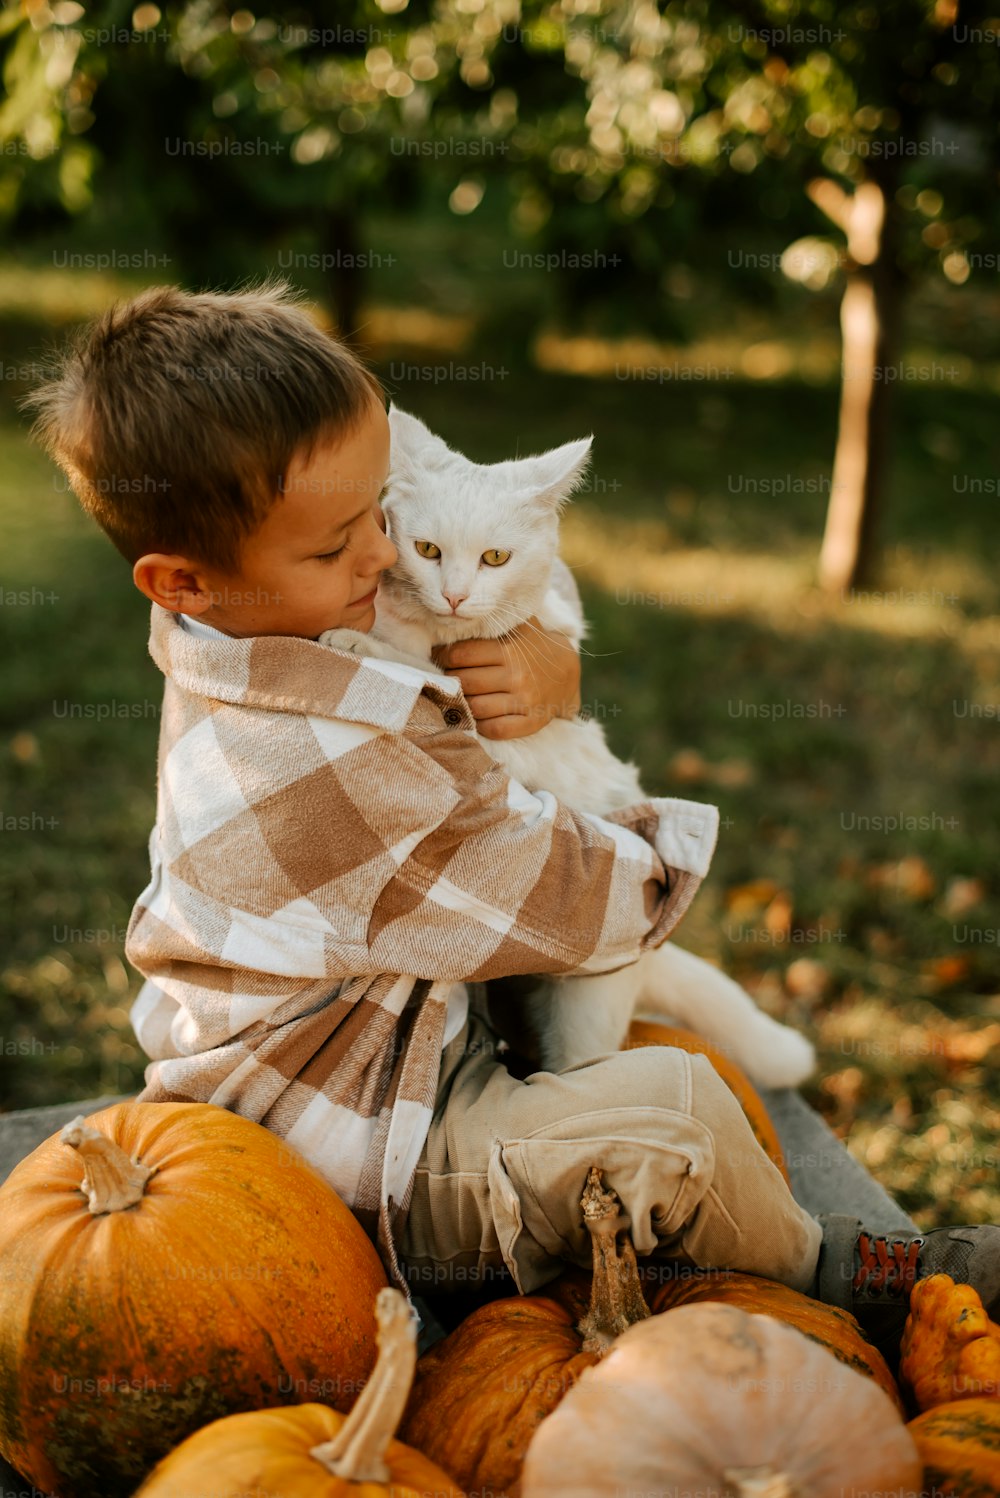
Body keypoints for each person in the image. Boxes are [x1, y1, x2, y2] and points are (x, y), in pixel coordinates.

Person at [26, 281, 1000, 1369]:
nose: (385, 560)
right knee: (671, 1116)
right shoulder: (333, 768)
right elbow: (583, 901)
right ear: (183, 579)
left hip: (340, 1055)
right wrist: (623, 800)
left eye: (379, 515)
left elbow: (492, 524)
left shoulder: (239, 619)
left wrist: (543, 651)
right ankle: (846, 1272)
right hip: (359, 1167)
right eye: (340, 543)